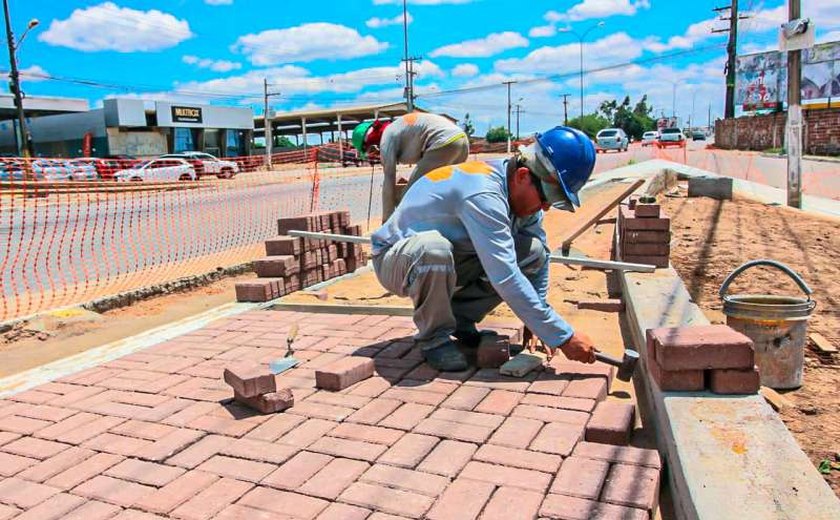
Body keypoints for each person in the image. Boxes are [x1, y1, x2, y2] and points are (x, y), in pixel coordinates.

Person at [370, 126, 598, 371]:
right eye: (546, 199)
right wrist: (562, 335)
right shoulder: (483, 194)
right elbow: (506, 275)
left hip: (452, 256)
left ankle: (459, 319)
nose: (545, 208)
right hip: (396, 258)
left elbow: (540, 258)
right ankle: (433, 338)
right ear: (522, 175)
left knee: (532, 252)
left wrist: (537, 321)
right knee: (433, 249)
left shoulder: (523, 193)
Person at [352, 112, 470, 221]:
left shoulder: (386, 139)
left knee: (410, 195)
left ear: (371, 144)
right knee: (444, 191)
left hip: (443, 142)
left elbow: (389, 178)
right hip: (462, 140)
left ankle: (415, 232)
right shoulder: (396, 129)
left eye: (371, 152)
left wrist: (386, 221)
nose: (376, 155)